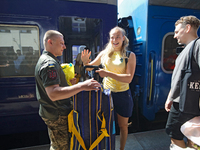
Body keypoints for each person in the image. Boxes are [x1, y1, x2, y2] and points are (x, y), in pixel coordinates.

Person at [35, 30, 101, 150]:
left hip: (52, 112)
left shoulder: (47, 59)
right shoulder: (49, 63)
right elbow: (53, 94)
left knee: (56, 144)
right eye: (61, 43)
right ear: (50, 42)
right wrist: (82, 86)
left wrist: (69, 85)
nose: (64, 47)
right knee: (61, 147)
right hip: (57, 114)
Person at [81, 26, 136, 150]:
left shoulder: (129, 55)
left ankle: (121, 149)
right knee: (105, 125)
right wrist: (85, 62)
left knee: (123, 126)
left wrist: (107, 73)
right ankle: (107, 147)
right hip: (106, 94)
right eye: (112, 37)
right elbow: (90, 67)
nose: (114, 39)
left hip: (123, 95)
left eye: (117, 37)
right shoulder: (104, 54)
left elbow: (128, 78)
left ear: (123, 38)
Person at [165, 15, 200, 149]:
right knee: (192, 135)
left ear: (188, 28)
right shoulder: (187, 48)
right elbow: (179, 78)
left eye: (177, 31)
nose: (174, 36)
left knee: (174, 133)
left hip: (185, 103)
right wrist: (170, 97)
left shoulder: (197, 45)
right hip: (182, 101)